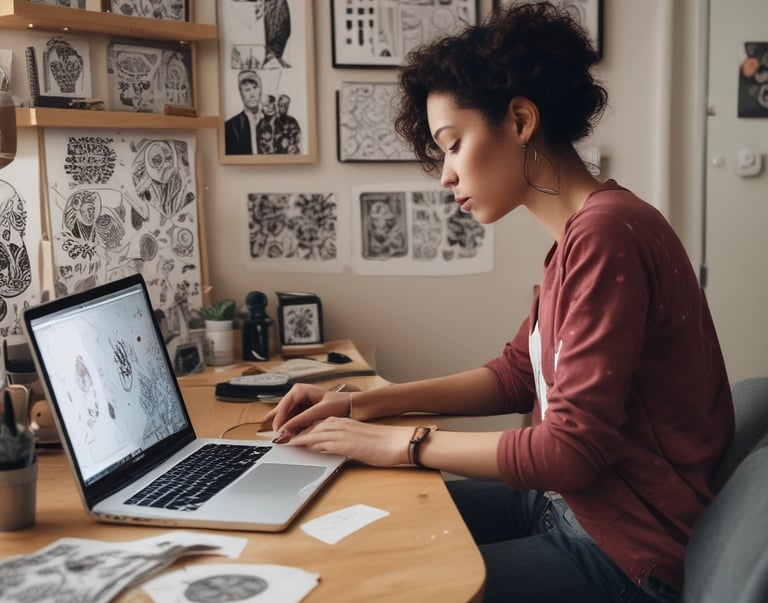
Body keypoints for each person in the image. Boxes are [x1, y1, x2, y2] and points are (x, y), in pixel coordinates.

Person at [265, 3, 734, 602]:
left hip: (625, 552)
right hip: (564, 510)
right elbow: (515, 376)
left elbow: (569, 451)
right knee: (353, 534)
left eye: (454, 145)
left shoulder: (606, 235)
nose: (445, 176)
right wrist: (361, 406)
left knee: (376, 587)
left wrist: (401, 444)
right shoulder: (580, 238)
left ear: (518, 120)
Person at [224, 70, 264, 155]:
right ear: (241, 94)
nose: (252, 94)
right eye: (247, 89)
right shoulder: (229, 127)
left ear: (260, 91)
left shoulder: (273, 122)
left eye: (255, 88)